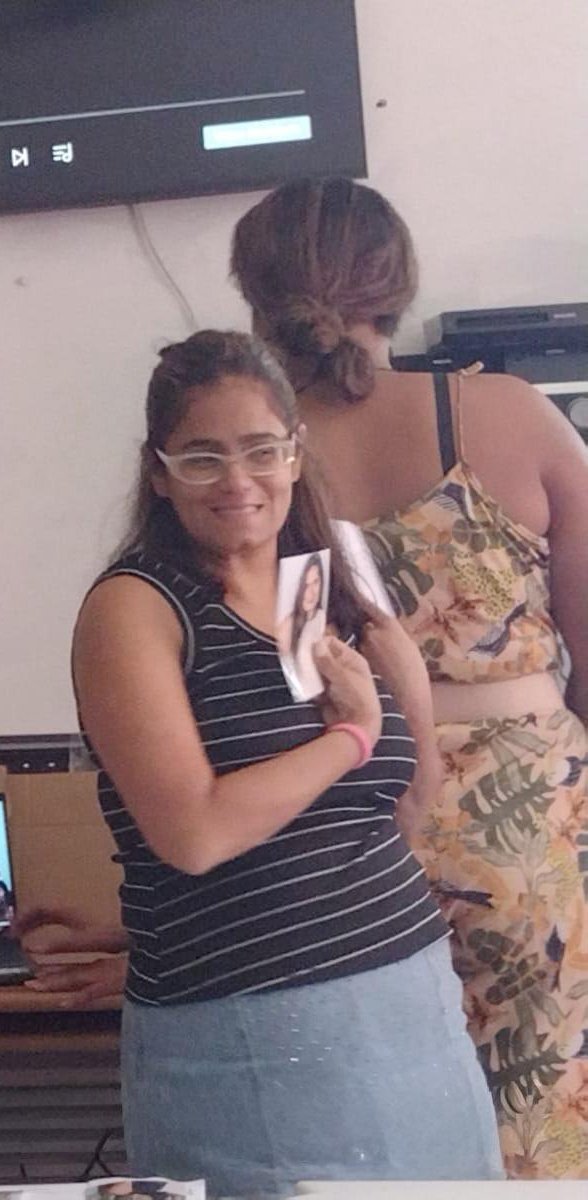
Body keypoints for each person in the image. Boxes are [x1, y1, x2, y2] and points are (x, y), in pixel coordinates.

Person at [72, 330, 500, 1196]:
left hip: (410, 1012)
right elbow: (193, 834)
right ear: (158, 472)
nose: (238, 480)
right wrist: (350, 737)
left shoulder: (314, 588)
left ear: (296, 455)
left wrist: (404, 689)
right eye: (203, 457)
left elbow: (395, 809)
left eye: (262, 450)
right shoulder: (136, 607)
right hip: (252, 1038)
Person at [233, 176, 588, 1179]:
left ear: (257, 302)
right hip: (525, 827)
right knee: (541, 1100)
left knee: (367, 1124)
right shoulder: (509, 414)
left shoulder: (251, 465)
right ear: (397, 286)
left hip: (345, 821)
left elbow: (267, 677)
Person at [276, 551, 328, 698]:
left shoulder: (321, 617)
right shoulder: (286, 628)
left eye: (316, 582)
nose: (311, 593)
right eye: (306, 585)